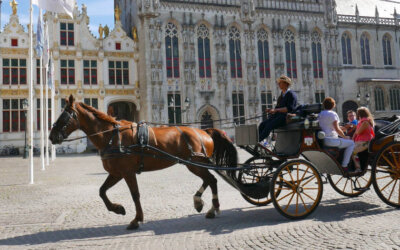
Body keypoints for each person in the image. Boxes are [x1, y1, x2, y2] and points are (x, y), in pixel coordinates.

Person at [318, 97, 355, 172]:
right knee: (351, 143)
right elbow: (337, 129)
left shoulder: (320, 114)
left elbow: (332, 127)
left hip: (323, 140)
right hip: (331, 140)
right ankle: (344, 165)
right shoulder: (333, 114)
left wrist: (344, 127)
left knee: (345, 141)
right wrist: (345, 137)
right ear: (333, 105)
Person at [258, 75, 297, 142]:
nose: (278, 84)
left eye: (280, 82)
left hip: (285, 117)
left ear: (285, 83)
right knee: (262, 125)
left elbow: (289, 109)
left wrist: (276, 110)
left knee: (269, 126)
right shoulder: (281, 96)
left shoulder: (291, 94)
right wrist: (271, 110)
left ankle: (258, 141)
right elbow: (277, 108)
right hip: (278, 116)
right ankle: (256, 140)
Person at [351, 107, 375, 172]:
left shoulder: (365, 122)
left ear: (359, 114)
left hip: (365, 142)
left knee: (351, 151)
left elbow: (358, 132)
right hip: (361, 141)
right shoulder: (362, 122)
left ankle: (358, 167)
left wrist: (355, 132)